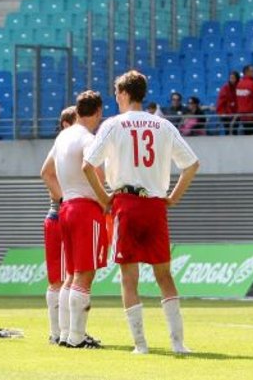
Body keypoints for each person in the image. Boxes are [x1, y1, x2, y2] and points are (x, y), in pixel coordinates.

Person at [83, 70, 200, 355]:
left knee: (128, 276)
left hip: (126, 203)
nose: (115, 99)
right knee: (164, 275)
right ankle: (177, 343)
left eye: (116, 94)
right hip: (155, 204)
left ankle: (141, 344)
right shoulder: (163, 125)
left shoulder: (113, 124)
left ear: (123, 93)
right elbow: (192, 164)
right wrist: (173, 197)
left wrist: (105, 199)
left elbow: (88, 165)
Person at [40, 92, 106, 349]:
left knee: (70, 275)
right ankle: (76, 337)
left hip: (66, 207)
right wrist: (106, 199)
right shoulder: (89, 138)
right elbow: (91, 169)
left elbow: (46, 172)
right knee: (84, 274)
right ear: (98, 112)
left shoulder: (63, 136)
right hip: (85, 208)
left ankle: (66, 334)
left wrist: (64, 195)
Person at [38, 106, 77, 344]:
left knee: (67, 277)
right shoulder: (63, 145)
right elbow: (45, 173)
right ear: (66, 124)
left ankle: (66, 332)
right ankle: (60, 333)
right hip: (60, 217)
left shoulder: (66, 147)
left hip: (62, 216)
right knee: (61, 278)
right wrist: (64, 201)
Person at [235, 65, 253, 135]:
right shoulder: (252, 84)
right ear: (247, 72)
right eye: (252, 71)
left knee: (246, 132)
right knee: (252, 134)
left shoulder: (239, 84)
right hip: (252, 113)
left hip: (242, 113)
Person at [215, 71, 240, 135]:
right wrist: (222, 113)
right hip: (226, 115)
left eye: (233, 78)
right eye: (230, 78)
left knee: (235, 131)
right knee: (227, 131)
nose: (232, 79)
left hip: (237, 114)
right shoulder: (225, 88)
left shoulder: (240, 87)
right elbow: (221, 102)